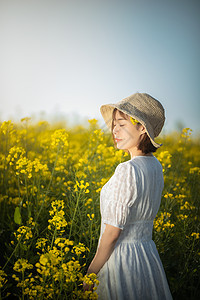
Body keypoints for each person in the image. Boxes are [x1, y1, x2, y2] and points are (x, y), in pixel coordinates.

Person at [84, 93, 173, 299]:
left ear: (142, 127)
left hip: (120, 260)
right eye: (114, 124)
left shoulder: (127, 169)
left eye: (122, 124)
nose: (114, 130)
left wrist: (90, 274)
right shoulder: (155, 166)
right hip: (146, 257)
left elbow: (112, 234)